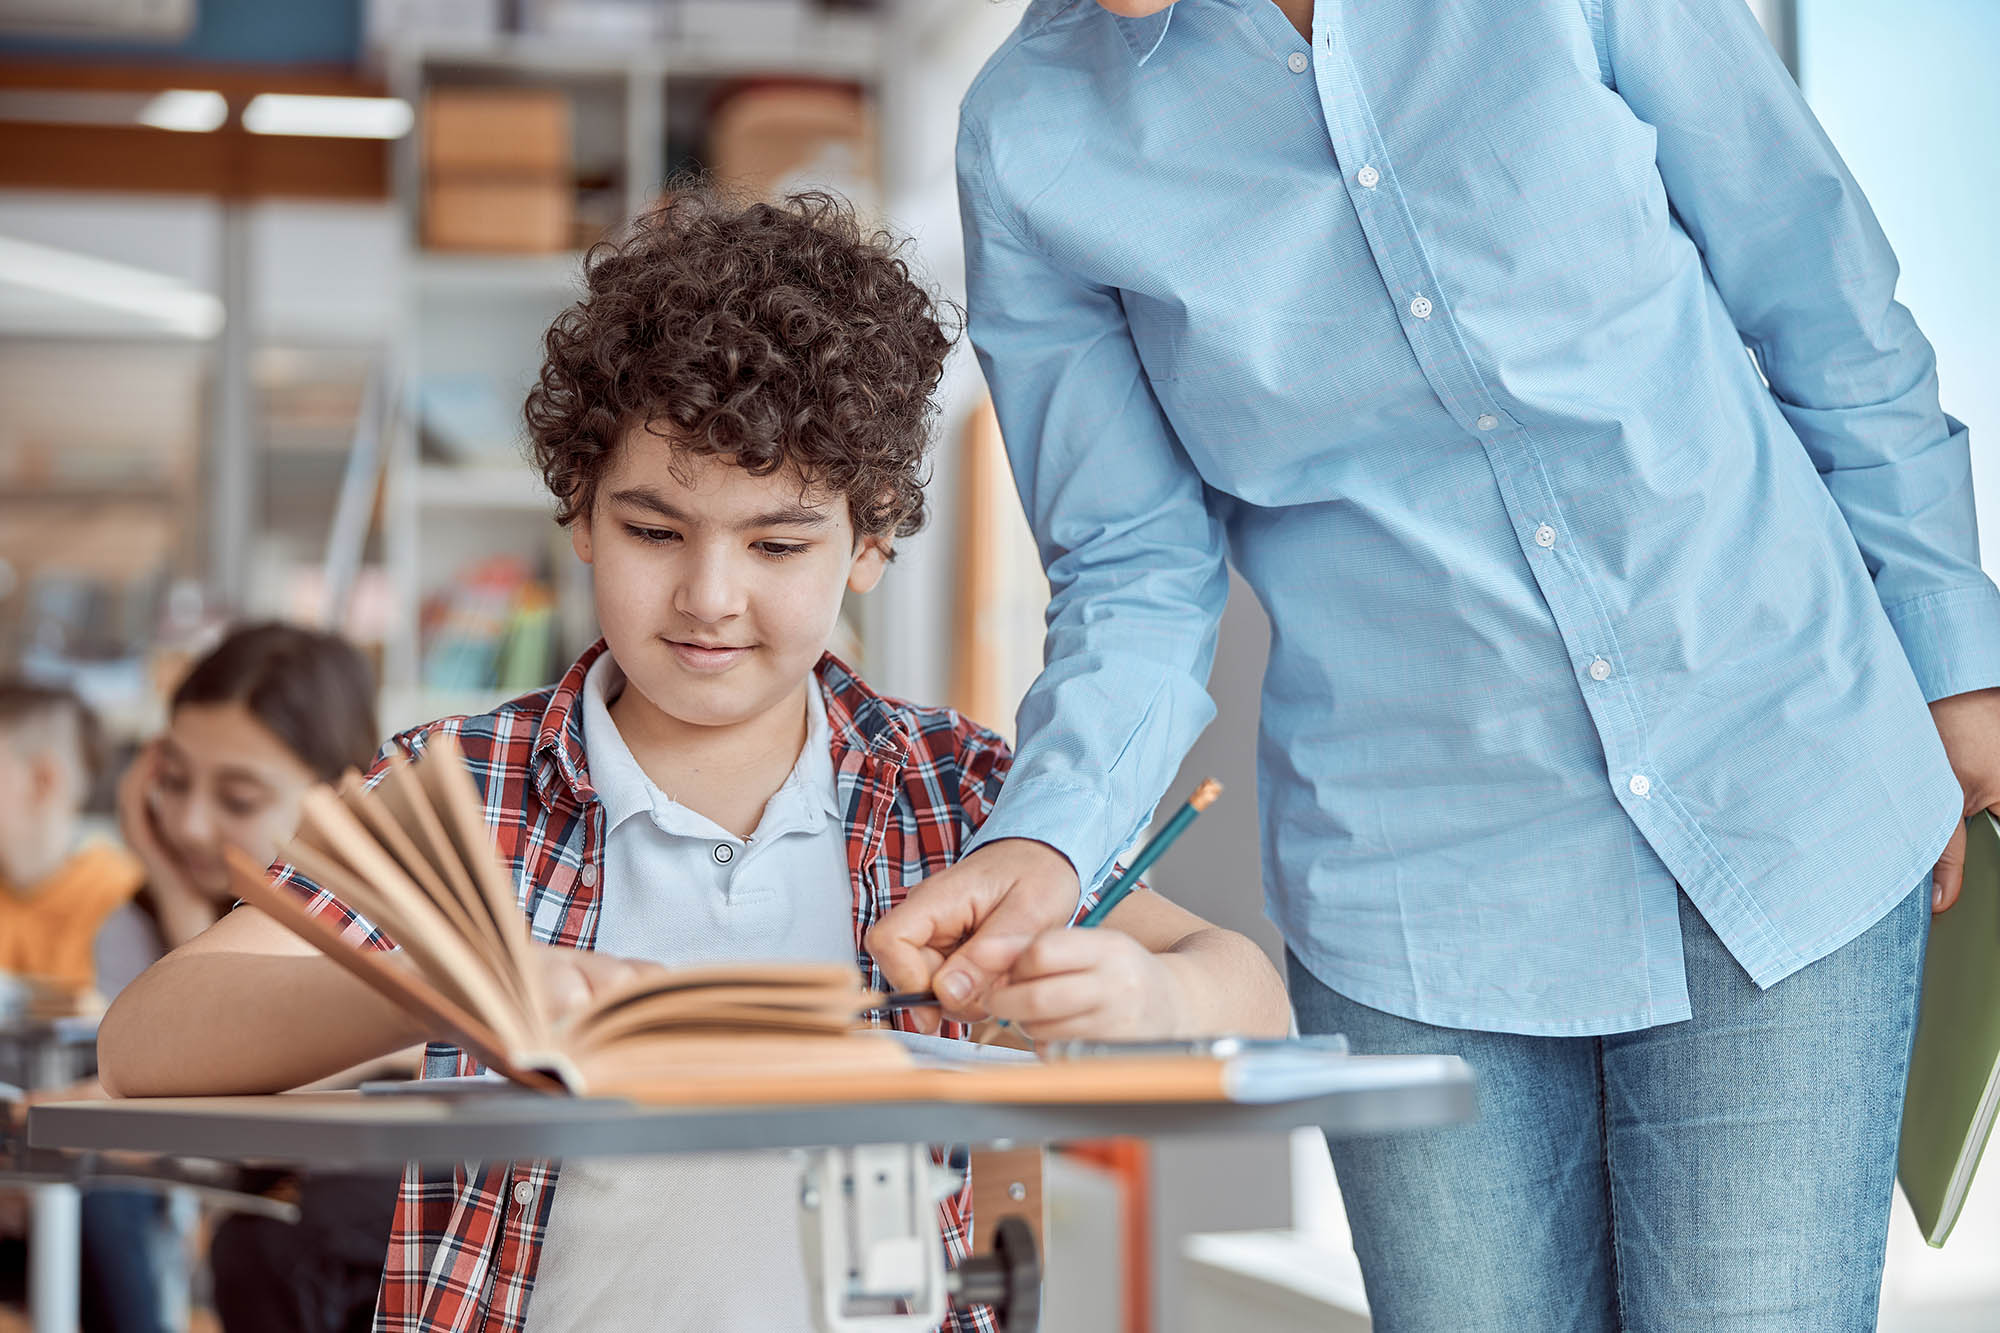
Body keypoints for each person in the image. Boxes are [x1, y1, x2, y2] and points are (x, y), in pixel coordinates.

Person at [867, 2, 2000, 1330]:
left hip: (1782, 777)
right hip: (1419, 894)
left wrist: (1950, 651)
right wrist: (1050, 840)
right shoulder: (1033, 130)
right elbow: (1133, 571)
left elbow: (1824, 302)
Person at [97, 187, 1292, 1333]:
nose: (709, 597)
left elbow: (1247, 990)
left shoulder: (961, 793)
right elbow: (148, 1040)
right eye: (654, 530)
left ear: (870, 538)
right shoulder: (456, 788)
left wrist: (1157, 995)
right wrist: (449, 983)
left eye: (776, 542)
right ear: (577, 509)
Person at [111, 623, 400, 1333]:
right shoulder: (131, 923)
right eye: (172, 781)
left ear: (339, 801)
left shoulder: (385, 918)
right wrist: (178, 908)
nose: (189, 823)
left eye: (237, 799)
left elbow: (241, 1112)